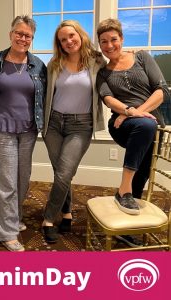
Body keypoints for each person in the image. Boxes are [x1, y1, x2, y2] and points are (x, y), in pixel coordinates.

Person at [96, 18, 169, 247]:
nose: (109, 46)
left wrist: (135, 112)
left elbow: (162, 91)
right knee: (146, 126)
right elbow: (108, 99)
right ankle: (123, 189)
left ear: (122, 39)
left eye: (113, 40)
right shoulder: (102, 73)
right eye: (103, 42)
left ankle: (126, 227)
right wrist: (127, 113)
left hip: (145, 120)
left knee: (144, 169)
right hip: (121, 125)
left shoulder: (142, 57)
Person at [0, 15, 47, 251]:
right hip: (1, 129)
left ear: (32, 38)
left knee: (22, 179)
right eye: (19, 33)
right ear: (11, 34)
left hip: (28, 130)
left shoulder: (38, 65)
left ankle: (14, 218)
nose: (23, 38)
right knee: (5, 183)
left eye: (27, 35)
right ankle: (6, 232)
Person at [41, 20, 106, 243]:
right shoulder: (54, 64)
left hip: (81, 126)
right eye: (62, 40)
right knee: (61, 171)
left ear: (80, 34)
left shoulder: (97, 61)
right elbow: (44, 95)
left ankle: (48, 218)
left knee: (64, 172)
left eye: (71, 36)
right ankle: (67, 212)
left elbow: (113, 81)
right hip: (53, 124)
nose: (68, 42)